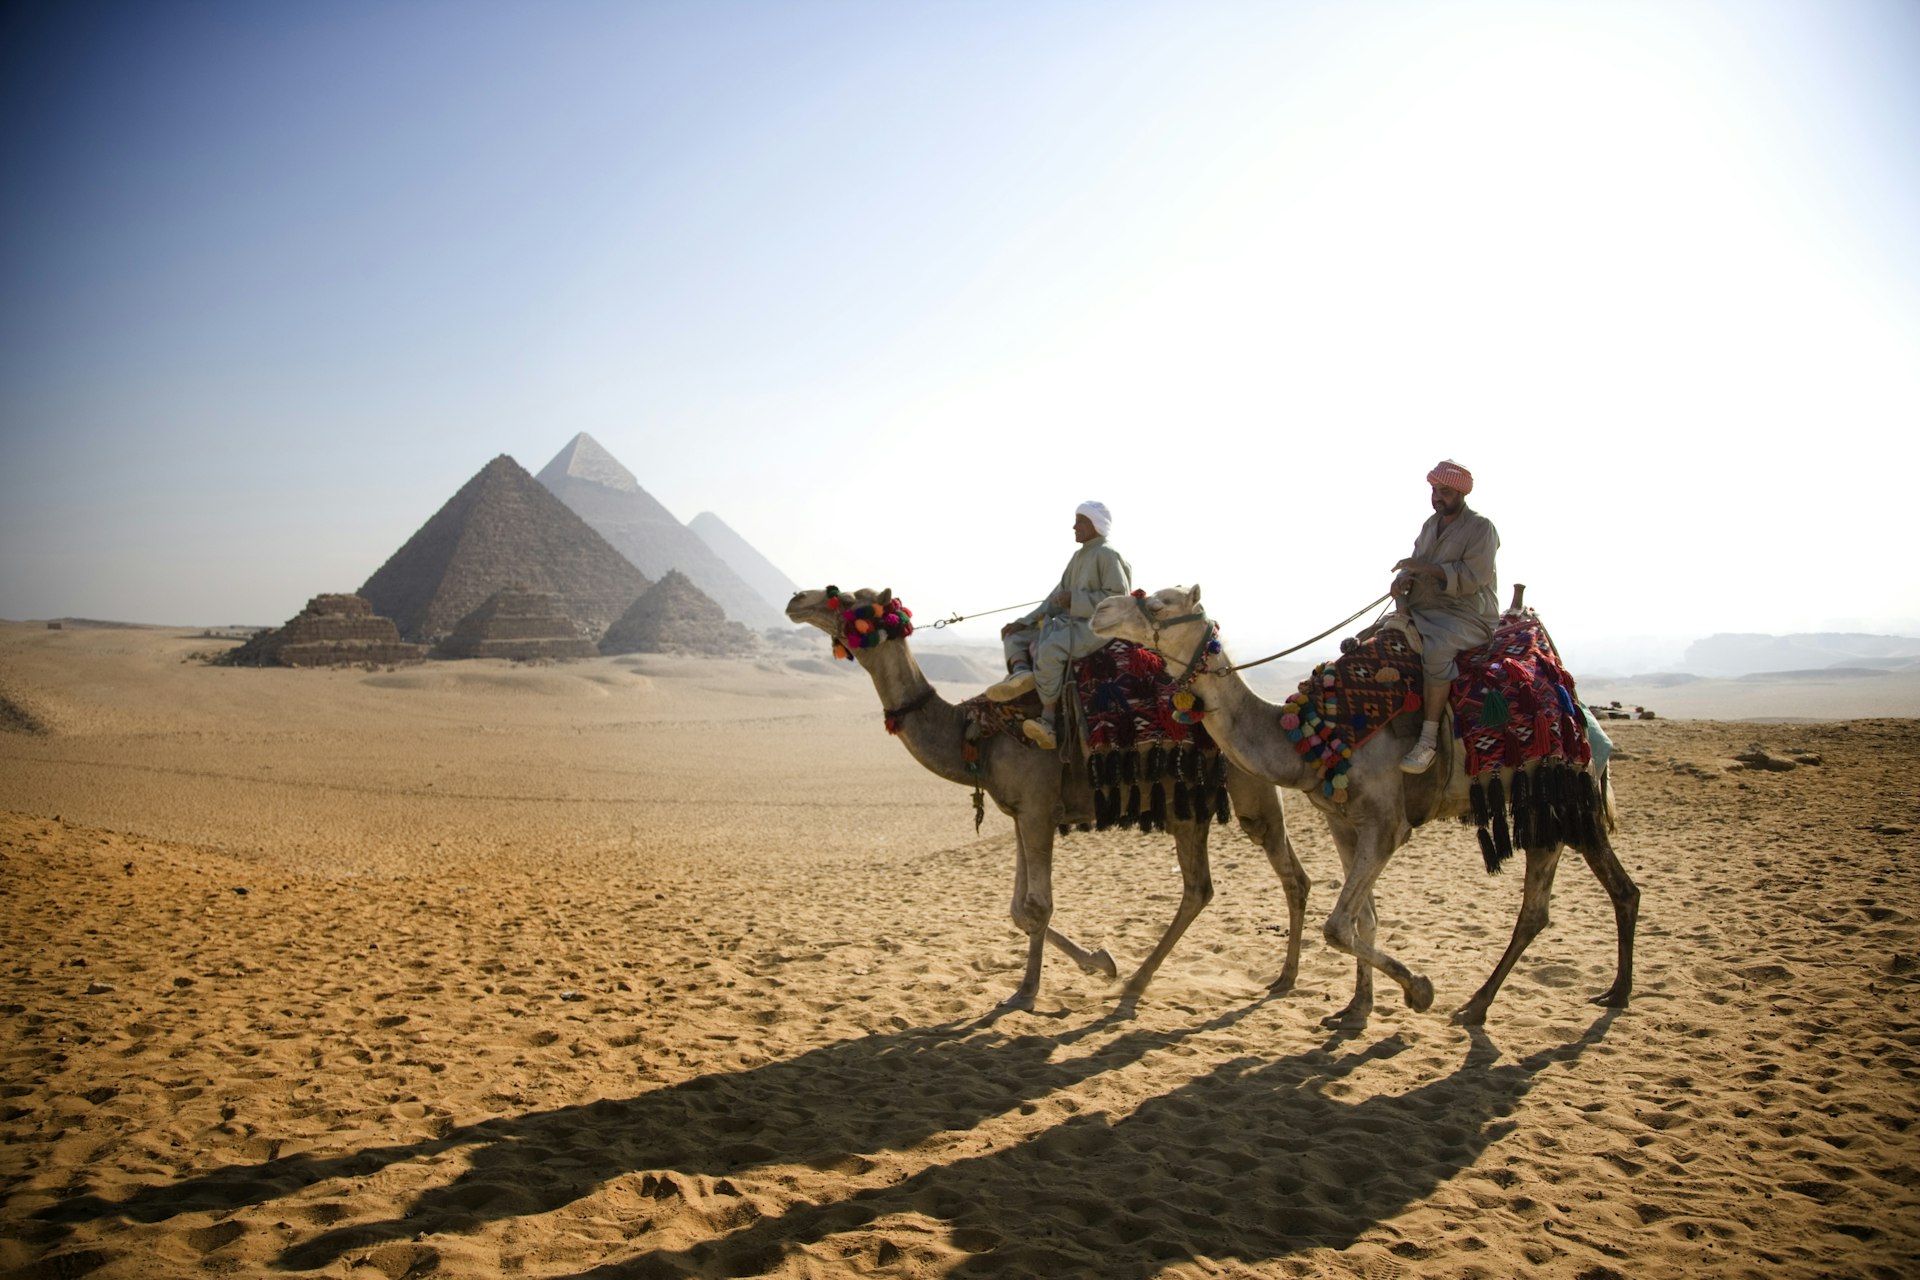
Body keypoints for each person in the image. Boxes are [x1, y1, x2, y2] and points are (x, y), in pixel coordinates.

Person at [987, 500, 1133, 751]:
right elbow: (1055, 598)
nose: (1074, 526)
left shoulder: (1107, 554)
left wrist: (1075, 600)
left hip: (1096, 629)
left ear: (1095, 524)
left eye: (1080, 521)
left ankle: (1048, 720)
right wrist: (1024, 622)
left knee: (1051, 647)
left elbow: (1118, 600)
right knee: (1016, 637)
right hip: (1070, 623)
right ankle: (1022, 673)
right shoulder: (1079, 557)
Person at [1392, 459, 1500, 773]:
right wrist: (1402, 582)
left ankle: (1428, 741)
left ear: (1461, 494)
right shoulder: (1429, 526)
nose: (1437, 497)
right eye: (1434, 490)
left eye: (1445, 491)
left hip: (1467, 616)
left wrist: (1422, 569)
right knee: (1378, 638)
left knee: (1436, 648)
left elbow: (1474, 576)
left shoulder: (1481, 528)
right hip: (1424, 608)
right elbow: (1416, 561)